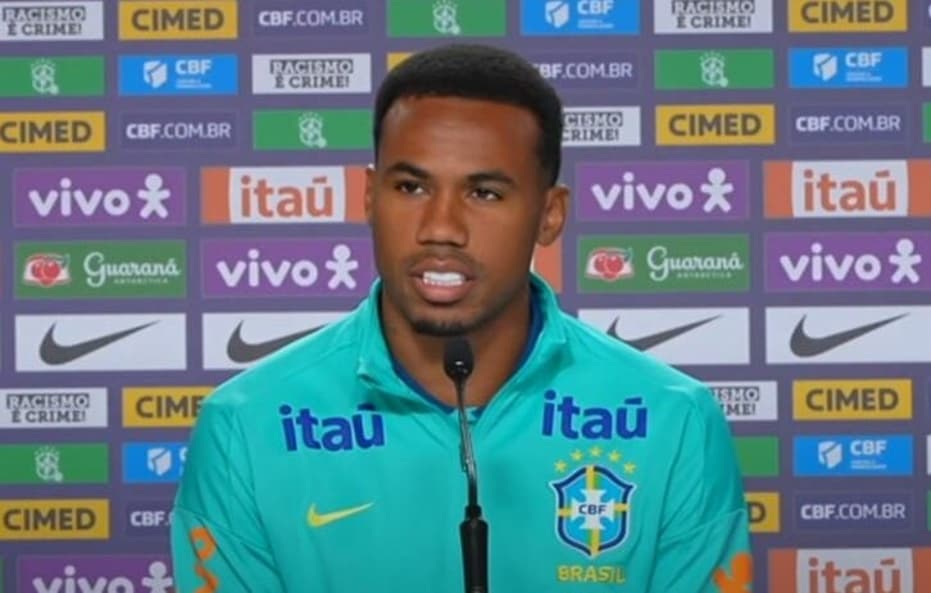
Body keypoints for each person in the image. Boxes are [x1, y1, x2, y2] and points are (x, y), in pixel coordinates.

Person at [170, 43, 751, 592]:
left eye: (485, 193)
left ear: (550, 215)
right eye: (411, 186)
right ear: (369, 196)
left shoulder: (674, 421)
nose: (440, 227)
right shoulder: (246, 426)